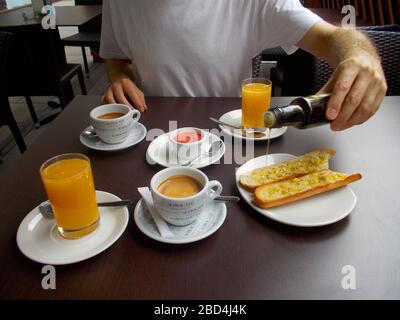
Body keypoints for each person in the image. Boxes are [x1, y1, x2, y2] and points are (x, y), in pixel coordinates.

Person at [100, 0, 387, 132]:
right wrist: (119, 78)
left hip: (231, 136)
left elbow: (331, 37)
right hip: (151, 136)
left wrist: (361, 56)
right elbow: (116, 56)